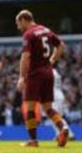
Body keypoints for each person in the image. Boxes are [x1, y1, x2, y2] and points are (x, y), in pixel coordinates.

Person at [15, 9, 69, 147]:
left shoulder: (29, 34)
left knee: (30, 107)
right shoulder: (46, 30)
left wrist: (21, 77)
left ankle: (33, 140)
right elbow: (61, 45)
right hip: (48, 73)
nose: (18, 27)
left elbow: (25, 57)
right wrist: (52, 60)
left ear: (23, 19)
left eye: (18, 23)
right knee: (48, 108)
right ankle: (62, 128)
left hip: (35, 74)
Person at [51, 69, 75, 140]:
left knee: (55, 117)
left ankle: (69, 135)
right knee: (56, 117)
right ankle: (60, 134)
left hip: (55, 97)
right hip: (58, 96)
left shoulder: (50, 71)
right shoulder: (54, 71)